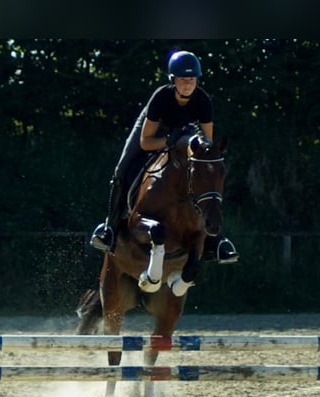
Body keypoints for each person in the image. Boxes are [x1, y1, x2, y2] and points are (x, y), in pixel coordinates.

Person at [90, 50, 239, 264]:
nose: (188, 83)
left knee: (206, 174)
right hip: (154, 133)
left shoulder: (203, 101)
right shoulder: (161, 97)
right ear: (173, 79)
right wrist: (168, 141)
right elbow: (146, 142)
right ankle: (110, 230)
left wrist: (193, 148)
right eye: (183, 79)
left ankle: (215, 241)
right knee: (121, 169)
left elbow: (207, 144)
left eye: (192, 79)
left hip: (184, 138)